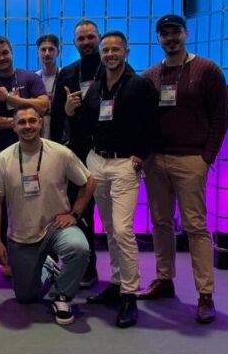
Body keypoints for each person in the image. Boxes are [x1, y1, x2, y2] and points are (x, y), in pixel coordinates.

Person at [140, 14, 228, 325]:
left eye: (175, 32)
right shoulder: (151, 75)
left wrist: (207, 157)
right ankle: (164, 279)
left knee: (195, 226)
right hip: (156, 159)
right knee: (160, 223)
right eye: (164, 34)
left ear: (186, 34)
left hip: (191, 160)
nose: (170, 38)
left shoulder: (207, 70)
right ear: (158, 38)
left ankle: (205, 294)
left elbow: (221, 118)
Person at [66, 31, 159, 328]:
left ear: (126, 52)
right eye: (106, 50)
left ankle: (130, 294)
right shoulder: (95, 88)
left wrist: (141, 155)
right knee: (108, 228)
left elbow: (153, 124)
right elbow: (86, 126)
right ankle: (117, 283)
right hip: (97, 162)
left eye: (115, 49)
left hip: (124, 164)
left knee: (122, 229)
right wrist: (70, 112)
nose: (110, 54)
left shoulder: (140, 85)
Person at [0, 106, 95, 326]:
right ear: (13, 126)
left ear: (40, 123)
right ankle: (48, 267)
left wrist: (74, 214)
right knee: (25, 297)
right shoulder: (3, 159)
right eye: (22, 122)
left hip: (56, 226)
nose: (27, 126)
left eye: (32, 121)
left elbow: (89, 182)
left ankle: (62, 296)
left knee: (79, 248)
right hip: (22, 235)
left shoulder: (60, 153)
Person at [0, 36, 50, 278]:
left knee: (32, 202)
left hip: (32, 155)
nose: (1, 58)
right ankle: (4, 256)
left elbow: (43, 106)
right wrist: (15, 122)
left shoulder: (30, 78)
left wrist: (8, 99)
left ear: (12, 52)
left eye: (5, 53)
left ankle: (39, 255)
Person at [49, 19, 102, 288]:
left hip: (108, 152)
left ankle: (122, 279)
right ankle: (86, 268)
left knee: (116, 221)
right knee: (81, 211)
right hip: (77, 152)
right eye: (81, 38)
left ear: (98, 38)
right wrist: (54, 150)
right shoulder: (68, 73)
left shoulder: (112, 69)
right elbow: (57, 117)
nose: (86, 42)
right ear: (74, 43)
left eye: (91, 37)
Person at [36, 33, 60, 139]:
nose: (47, 53)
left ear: (58, 52)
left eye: (51, 49)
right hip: (39, 131)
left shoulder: (65, 76)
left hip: (61, 131)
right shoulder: (34, 78)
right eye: (43, 50)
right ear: (38, 53)